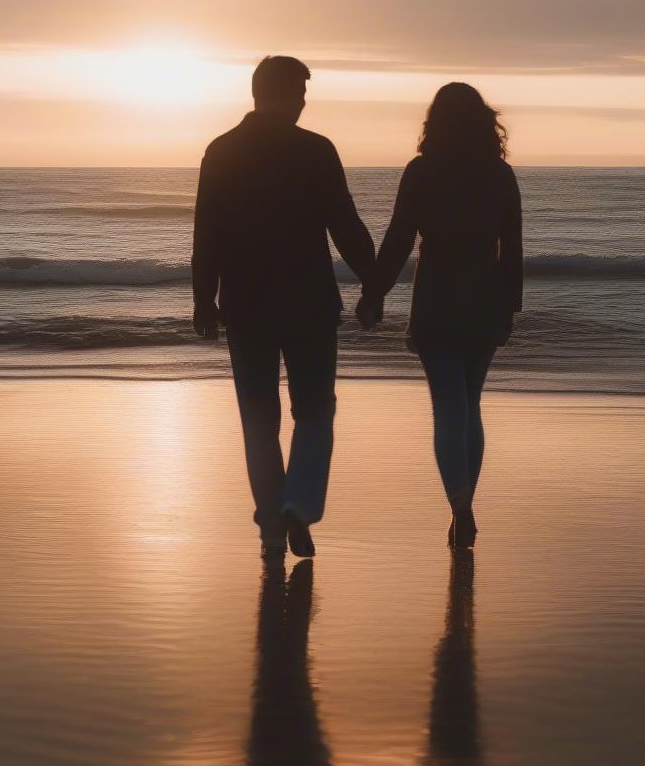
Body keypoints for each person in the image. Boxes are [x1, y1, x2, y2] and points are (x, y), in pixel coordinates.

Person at [192, 56, 376, 558]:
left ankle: (272, 517)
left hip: (246, 305)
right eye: (299, 92)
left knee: (258, 418)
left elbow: (206, 234)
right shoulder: (315, 150)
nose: (302, 102)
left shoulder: (222, 151)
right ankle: (298, 505)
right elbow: (347, 227)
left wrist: (202, 300)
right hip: (310, 304)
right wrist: (374, 286)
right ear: (282, 94)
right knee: (315, 412)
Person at [357, 83, 522, 548]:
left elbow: (399, 239)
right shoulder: (499, 175)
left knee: (448, 408)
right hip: (484, 297)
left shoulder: (422, 171)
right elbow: (512, 248)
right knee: (470, 404)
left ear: (435, 122)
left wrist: (374, 292)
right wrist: (510, 306)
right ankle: (466, 504)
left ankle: (459, 506)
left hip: (436, 298)